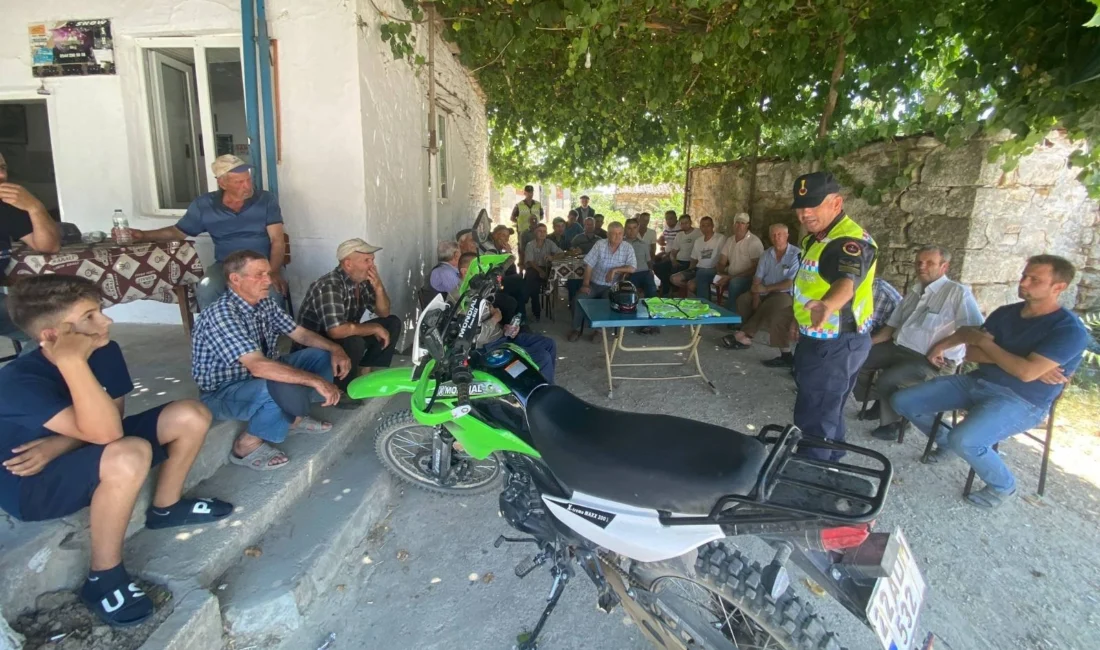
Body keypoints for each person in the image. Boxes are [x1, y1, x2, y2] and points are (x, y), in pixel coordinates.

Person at [0, 275, 231, 627]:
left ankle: (166, 508)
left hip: (80, 449)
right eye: (90, 316)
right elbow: (110, 434)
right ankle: (103, 578)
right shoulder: (19, 381)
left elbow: (113, 420)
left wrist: (59, 443)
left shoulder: (104, 349)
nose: (106, 321)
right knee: (130, 453)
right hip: (33, 482)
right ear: (52, 336)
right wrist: (72, 363)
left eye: (100, 311)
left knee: (191, 414)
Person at [891, 255, 1089, 509]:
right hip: (977, 381)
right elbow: (972, 354)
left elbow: (1025, 374)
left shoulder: (1068, 330)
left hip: (1023, 400)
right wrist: (1021, 362)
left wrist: (989, 345)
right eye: (1024, 275)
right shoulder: (1006, 313)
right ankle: (944, 440)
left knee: (966, 439)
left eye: (1034, 279)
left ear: (1058, 287)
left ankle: (1003, 487)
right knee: (903, 400)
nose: (1024, 282)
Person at [191, 250, 352, 471]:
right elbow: (258, 366)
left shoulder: (263, 303)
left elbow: (300, 334)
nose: (268, 280)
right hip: (224, 392)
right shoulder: (221, 314)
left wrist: (335, 348)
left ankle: (292, 417)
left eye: (268, 273)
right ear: (235, 279)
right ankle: (246, 445)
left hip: (258, 376)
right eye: (259, 274)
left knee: (321, 355)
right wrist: (315, 381)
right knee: (281, 385)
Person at [789, 172, 878, 461]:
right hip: (834, 340)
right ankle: (831, 464)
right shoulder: (819, 237)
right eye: (801, 207)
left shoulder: (848, 241)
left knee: (815, 416)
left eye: (813, 205)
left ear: (837, 203)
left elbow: (846, 280)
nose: (805, 214)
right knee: (830, 409)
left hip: (833, 345)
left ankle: (811, 475)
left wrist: (828, 305)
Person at [855, 246, 984, 440]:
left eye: (929, 262)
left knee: (889, 380)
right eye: (919, 262)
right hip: (899, 348)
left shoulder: (957, 293)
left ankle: (895, 424)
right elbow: (891, 327)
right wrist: (862, 345)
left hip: (931, 360)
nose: (921, 266)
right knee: (854, 360)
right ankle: (882, 403)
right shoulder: (915, 291)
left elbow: (974, 330)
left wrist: (940, 347)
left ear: (944, 266)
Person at [129, 155, 288, 310]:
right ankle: (214, 332)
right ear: (222, 183)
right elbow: (178, 232)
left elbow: (277, 240)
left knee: (271, 292)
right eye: (239, 182)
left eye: (248, 180)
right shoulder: (205, 205)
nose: (247, 186)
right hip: (225, 266)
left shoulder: (266, 200)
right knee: (207, 287)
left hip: (262, 265)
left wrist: (272, 272)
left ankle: (264, 336)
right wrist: (143, 235)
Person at [297, 239, 403, 390]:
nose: (372, 265)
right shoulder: (330, 285)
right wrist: (374, 328)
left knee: (392, 323)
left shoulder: (362, 282)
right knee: (354, 341)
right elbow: (336, 331)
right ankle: (343, 388)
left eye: (372, 260)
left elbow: (384, 312)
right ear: (348, 264)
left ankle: (365, 369)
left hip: (344, 333)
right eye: (367, 260)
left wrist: (379, 287)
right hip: (317, 343)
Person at [457, 254, 558, 381]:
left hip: (502, 337)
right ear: (465, 271)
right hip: (488, 348)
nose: (483, 273)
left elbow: (488, 322)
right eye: (479, 269)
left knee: (549, 344)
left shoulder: (477, 291)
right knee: (542, 357)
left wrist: (505, 328)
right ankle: (541, 395)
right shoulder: (461, 299)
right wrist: (495, 318)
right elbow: (473, 336)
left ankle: (544, 385)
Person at [0, 152, 61, 354]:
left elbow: (48, 246)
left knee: (56, 333)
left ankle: (19, 383)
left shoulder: (5, 208)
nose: (1, 175)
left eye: (3, 168)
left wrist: (34, 207)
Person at [723, 223, 801, 367]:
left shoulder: (796, 254)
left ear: (787, 236)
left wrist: (764, 289)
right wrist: (756, 296)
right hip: (764, 290)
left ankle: (745, 334)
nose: (776, 237)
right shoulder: (767, 254)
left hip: (784, 294)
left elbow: (789, 283)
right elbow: (757, 278)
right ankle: (745, 337)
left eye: (780, 234)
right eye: (773, 235)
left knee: (772, 305)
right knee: (743, 300)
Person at [568, 222, 636, 342]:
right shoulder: (600, 244)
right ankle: (576, 328)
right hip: (594, 283)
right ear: (608, 235)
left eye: (620, 233)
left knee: (607, 302)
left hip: (613, 287)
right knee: (579, 299)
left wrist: (615, 269)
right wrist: (585, 284)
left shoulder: (627, 247)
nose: (618, 236)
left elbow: (632, 267)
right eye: (614, 233)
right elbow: (589, 265)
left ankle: (599, 331)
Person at [713, 213, 764, 309]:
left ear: (747, 225)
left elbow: (755, 269)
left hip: (747, 278)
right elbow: (722, 261)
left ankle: (732, 318)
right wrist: (720, 272)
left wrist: (730, 277)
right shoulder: (730, 240)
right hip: (731, 274)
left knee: (735, 283)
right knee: (708, 275)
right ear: (733, 224)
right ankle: (708, 308)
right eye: (737, 223)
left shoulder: (754, 242)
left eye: (743, 223)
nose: (739, 226)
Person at [671, 216, 726, 299]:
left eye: (708, 225)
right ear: (700, 227)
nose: (706, 228)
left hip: (712, 269)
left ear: (712, 226)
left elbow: (723, 257)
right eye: (703, 226)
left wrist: (720, 270)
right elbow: (693, 259)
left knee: (694, 282)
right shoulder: (698, 240)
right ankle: (697, 293)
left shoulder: (720, 238)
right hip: (698, 268)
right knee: (674, 278)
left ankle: (703, 302)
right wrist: (691, 271)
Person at [523, 223, 562, 322]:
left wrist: (552, 257)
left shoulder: (549, 243)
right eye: (540, 231)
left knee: (530, 281)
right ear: (535, 233)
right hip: (534, 268)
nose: (542, 233)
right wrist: (540, 271)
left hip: (546, 269)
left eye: (544, 231)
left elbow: (561, 253)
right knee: (533, 281)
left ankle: (525, 299)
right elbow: (530, 262)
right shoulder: (530, 244)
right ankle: (536, 311)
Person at [658, 214, 701, 297]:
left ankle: (678, 290)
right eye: (682, 223)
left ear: (690, 222)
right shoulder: (679, 235)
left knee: (676, 271)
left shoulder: (698, 233)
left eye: (686, 223)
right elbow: (674, 251)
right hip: (678, 260)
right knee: (659, 267)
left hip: (690, 261)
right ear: (680, 224)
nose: (684, 225)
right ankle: (667, 289)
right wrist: (673, 260)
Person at [625, 218, 658, 298]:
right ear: (625, 229)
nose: (632, 231)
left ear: (638, 229)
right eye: (629, 228)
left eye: (634, 228)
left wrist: (651, 271)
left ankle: (652, 308)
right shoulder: (621, 243)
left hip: (645, 272)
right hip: (629, 273)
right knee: (631, 295)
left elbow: (648, 261)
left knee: (652, 292)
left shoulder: (643, 244)